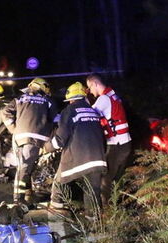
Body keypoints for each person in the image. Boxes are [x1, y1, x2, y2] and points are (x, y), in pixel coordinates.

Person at [49, 82, 107, 211]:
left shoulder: (69, 111)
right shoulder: (93, 111)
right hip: (98, 159)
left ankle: (57, 213)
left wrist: (47, 147)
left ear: (71, 100)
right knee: (92, 193)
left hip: (79, 158)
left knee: (59, 182)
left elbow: (60, 139)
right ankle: (95, 225)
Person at [0, 77, 55, 205]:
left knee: (24, 167)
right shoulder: (47, 101)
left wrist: (13, 129)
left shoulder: (19, 99)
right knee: (24, 168)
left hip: (18, 138)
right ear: (43, 87)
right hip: (34, 138)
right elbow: (52, 119)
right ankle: (18, 200)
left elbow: (5, 112)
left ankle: (27, 197)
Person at [86, 73, 132, 202]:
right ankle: (117, 205)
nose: (90, 92)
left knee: (106, 177)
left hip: (117, 144)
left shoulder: (104, 99)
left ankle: (106, 208)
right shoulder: (113, 95)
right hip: (124, 142)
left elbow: (88, 114)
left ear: (95, 84)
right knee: (116, 177)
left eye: (89, 88)